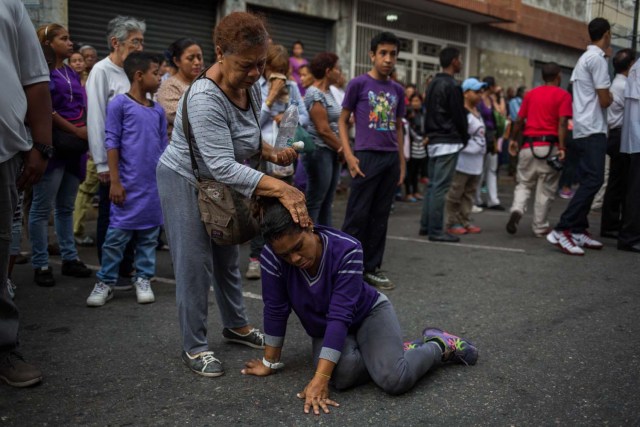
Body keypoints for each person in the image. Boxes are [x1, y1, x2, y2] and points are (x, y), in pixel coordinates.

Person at [156, 11, 309, 377]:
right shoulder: (205, 98)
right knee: (195, 264)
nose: (256, 73)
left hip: (220, 180)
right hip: (186, 179)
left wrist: (271, 151)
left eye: (260, 64)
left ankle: (235, 325)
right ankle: (195, 346)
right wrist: (282, 189)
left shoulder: (252, 86)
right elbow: (221, 164)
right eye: (246, 65)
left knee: (228, 254)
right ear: (220, 52)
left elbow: (247, 138)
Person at [240, 198, 478, 415]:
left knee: (395, 379)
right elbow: (275, 308)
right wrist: (269, 362)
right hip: (325, 326)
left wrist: (320, 378)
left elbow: (340, 315)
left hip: (368, 313)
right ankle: (393, 352)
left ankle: (439, 345)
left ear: (309, 225)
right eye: (285, 255)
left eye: (298, 247)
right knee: (342, 377)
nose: (294, 259)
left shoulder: (347, 248)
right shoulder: (271, 257)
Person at [86, 52, 167, 306]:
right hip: (127, 186)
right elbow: (112, 143)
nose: (160, 77)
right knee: (116, 237)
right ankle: (106, 281)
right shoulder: (119, 105)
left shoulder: (158, 111)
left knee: (148, 238)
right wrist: (116, 182)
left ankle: (143, 277)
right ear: (139, 76)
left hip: (152, 187)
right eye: (156, 73)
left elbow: (164, 148)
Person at [0, 0, 52, 387]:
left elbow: (35, 79)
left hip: (3, 153)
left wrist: (41, 145)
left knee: (0, 250)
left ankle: (3, 350)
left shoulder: (9, 4)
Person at [339, 32, 405, 291]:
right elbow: (343, 120)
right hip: (365, 156)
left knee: (380, 216)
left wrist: (402, 162)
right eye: (383, 53)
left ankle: (372, 268)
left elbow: (398, 127)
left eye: (393, 54)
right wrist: (349, 153)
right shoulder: (358, 84)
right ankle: (345, 268)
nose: (388, 59)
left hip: (389, 158)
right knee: (357, 215)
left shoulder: (398, 90)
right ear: (372, 55)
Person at [29, 23, 92, 287]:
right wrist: (76, 131)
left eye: (69, 37)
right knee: (42, 209)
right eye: (64, 38)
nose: (70, 42)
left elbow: (80, 103)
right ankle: (41, 263)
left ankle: (69, 258)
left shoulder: (69, 71)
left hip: (74, 148)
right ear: (48, 43)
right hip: (54, 146)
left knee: (65, 207)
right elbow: (47, 108)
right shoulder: (42, 72)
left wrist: (85, 130)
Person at [86, 16, 145, 287]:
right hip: (112, 160)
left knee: (133, 213)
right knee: (111, 216)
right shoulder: (101, 71)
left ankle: (127, 267)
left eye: (142, 42)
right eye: (135, 42)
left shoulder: (134, 72)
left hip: (135, 161)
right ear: (115, 42)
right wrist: (101, 164)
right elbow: (96, 119)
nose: (141, 47)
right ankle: (109, 271)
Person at [547, 18, 612, 255]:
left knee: (588, 180)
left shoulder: (584, 58)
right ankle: (562, 228)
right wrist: (611, 97)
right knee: (594, 180)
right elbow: (605, 100)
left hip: (583, 127)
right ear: (607, 34)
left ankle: (577, 229)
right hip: (593, 128)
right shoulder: (598, 60)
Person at [245, 43, 310, 280]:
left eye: (282, 69)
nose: (278, 74)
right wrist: (271, 98)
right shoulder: (255, 87)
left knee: (284, 206)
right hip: (261, 156)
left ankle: (280, 256)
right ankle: (255, 257)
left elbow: (304, 116)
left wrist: (288, 116)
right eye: (273, 68)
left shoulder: (292, 87)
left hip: (284, 156)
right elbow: (252, 124)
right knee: (259, 207)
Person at [505, 63, 571, 237]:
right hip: (550, 147)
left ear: (542, 77)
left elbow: (519, 120)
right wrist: (563, 147)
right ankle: (540, 227)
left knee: (524, 183)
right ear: (558, 77)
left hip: (528, 146)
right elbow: (563, 123)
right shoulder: (563, 95)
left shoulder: (531, 94)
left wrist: (512, 139)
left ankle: (517, 209)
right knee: (546, 190)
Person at [419, 47, 468, 243]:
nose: (461, 62)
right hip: (447, 139)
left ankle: (426, 225)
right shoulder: (452, 85)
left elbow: (428, 111)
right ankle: (436, 230)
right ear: (454, 61)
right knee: (439, 187)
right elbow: (458, 115)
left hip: (434, 139)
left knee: (432, 185)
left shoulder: (432, 84)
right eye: (460, 59)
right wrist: (464, 136)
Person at [303, 52, 343, 227]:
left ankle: (326, 241)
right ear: (328, 71)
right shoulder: (314, 93)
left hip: (331, 150)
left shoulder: (329, 92)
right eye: (337, 69)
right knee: (316, 199)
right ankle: (308, 238)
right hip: (319, 151)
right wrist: (344, 149)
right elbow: (323, 130)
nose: (339, 72)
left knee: (327, 201)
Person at [600, 49, 635, 239]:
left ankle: (611, 223)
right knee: (620, 183)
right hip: (621, 135)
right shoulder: (624, 85)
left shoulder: (618, 83)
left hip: (616, 135)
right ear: (630, 65)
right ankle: (611, 224)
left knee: (617, 181)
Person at [445, 78, 487, 235]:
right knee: (456, 192)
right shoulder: (461, 113)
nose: (480, 95)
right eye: (476, 92)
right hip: (463, 160)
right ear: (466, 93)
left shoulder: (477, 112)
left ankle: (465, 219)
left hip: (476, 161)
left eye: (481, 92)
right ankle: (452, 222)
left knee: (469, 193)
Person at [156, 38, 203, 138]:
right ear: (177, 61)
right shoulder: (169, 87)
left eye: (199, 57)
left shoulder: (205, 84)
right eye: (191, 58)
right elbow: (182, 119)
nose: (197, 62)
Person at [618, 55, 640, 252]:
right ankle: (630, 236)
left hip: (635, 138)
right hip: (638, 139)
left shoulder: (636, 68)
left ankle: (630, 234)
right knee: (636, 190)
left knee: (634, 188)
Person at [475, 76, 506, 211]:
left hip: (492, 136)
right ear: (491, 86)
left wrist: (500, 96)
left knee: (491, 169)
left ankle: (493, 200)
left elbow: (502, 113)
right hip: (482, 136)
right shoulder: (479, 99)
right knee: (479, 170)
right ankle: (476, 199)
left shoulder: (491, 100)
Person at [404, 94, 427, 202]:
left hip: (422, 144)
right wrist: (419, 138)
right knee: (410, 169)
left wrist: (426, 138)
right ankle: (408, 192)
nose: (415, 103)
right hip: (411, 145)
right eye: (413, 101)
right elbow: (408, 129)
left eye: (417, 101)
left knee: (417, 169)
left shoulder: (423, 114)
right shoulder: (408, 114)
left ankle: (416, 191)